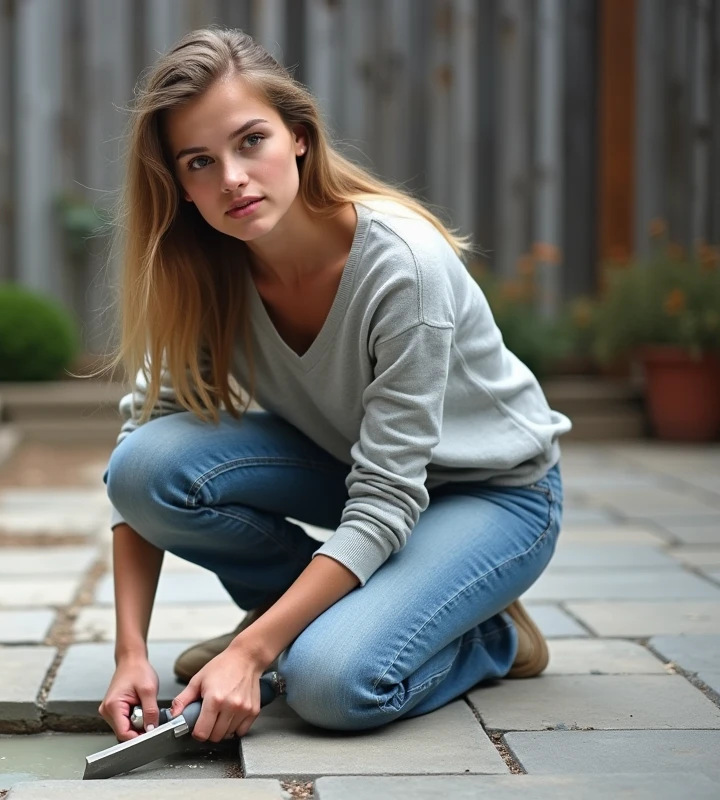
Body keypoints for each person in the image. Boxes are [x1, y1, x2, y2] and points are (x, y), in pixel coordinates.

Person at [95, 27, 571, 746]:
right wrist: (130, 654)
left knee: (331, 686)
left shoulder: (403, 266)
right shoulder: (205, 270)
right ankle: (308, 622)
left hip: (493, 494)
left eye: (250, 140)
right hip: (356, 471)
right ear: (181, 187)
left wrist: (251, 654)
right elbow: (141, 445)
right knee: (146, 468)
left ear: (299, 137)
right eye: (200, 161)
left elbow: (387, 500)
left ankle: (487, 635)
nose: (232, 177)